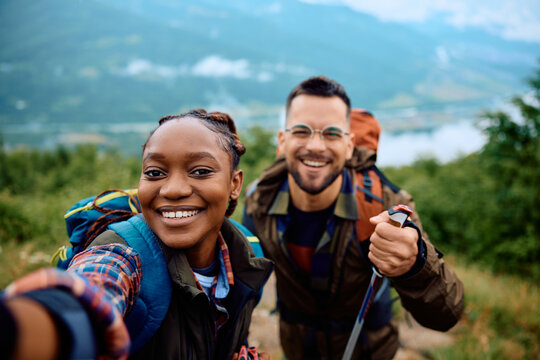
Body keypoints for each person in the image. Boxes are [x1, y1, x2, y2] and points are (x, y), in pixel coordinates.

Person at [1, 109, 274, 359]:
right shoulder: (123, 254)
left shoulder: (245, 254)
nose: (172, 190)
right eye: (155, 173)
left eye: (200, 171)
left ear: (234, 183)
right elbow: (92, 291)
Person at [242, 76, 464, 359]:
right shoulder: (259, 202)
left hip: (371, 351)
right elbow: (241, 293)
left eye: (332, 134)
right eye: (301, 131)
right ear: (282, 141)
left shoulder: (386, 208)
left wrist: (415, 263)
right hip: (298, 349)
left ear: (349, 146)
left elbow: (447, 315)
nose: (316, 146)